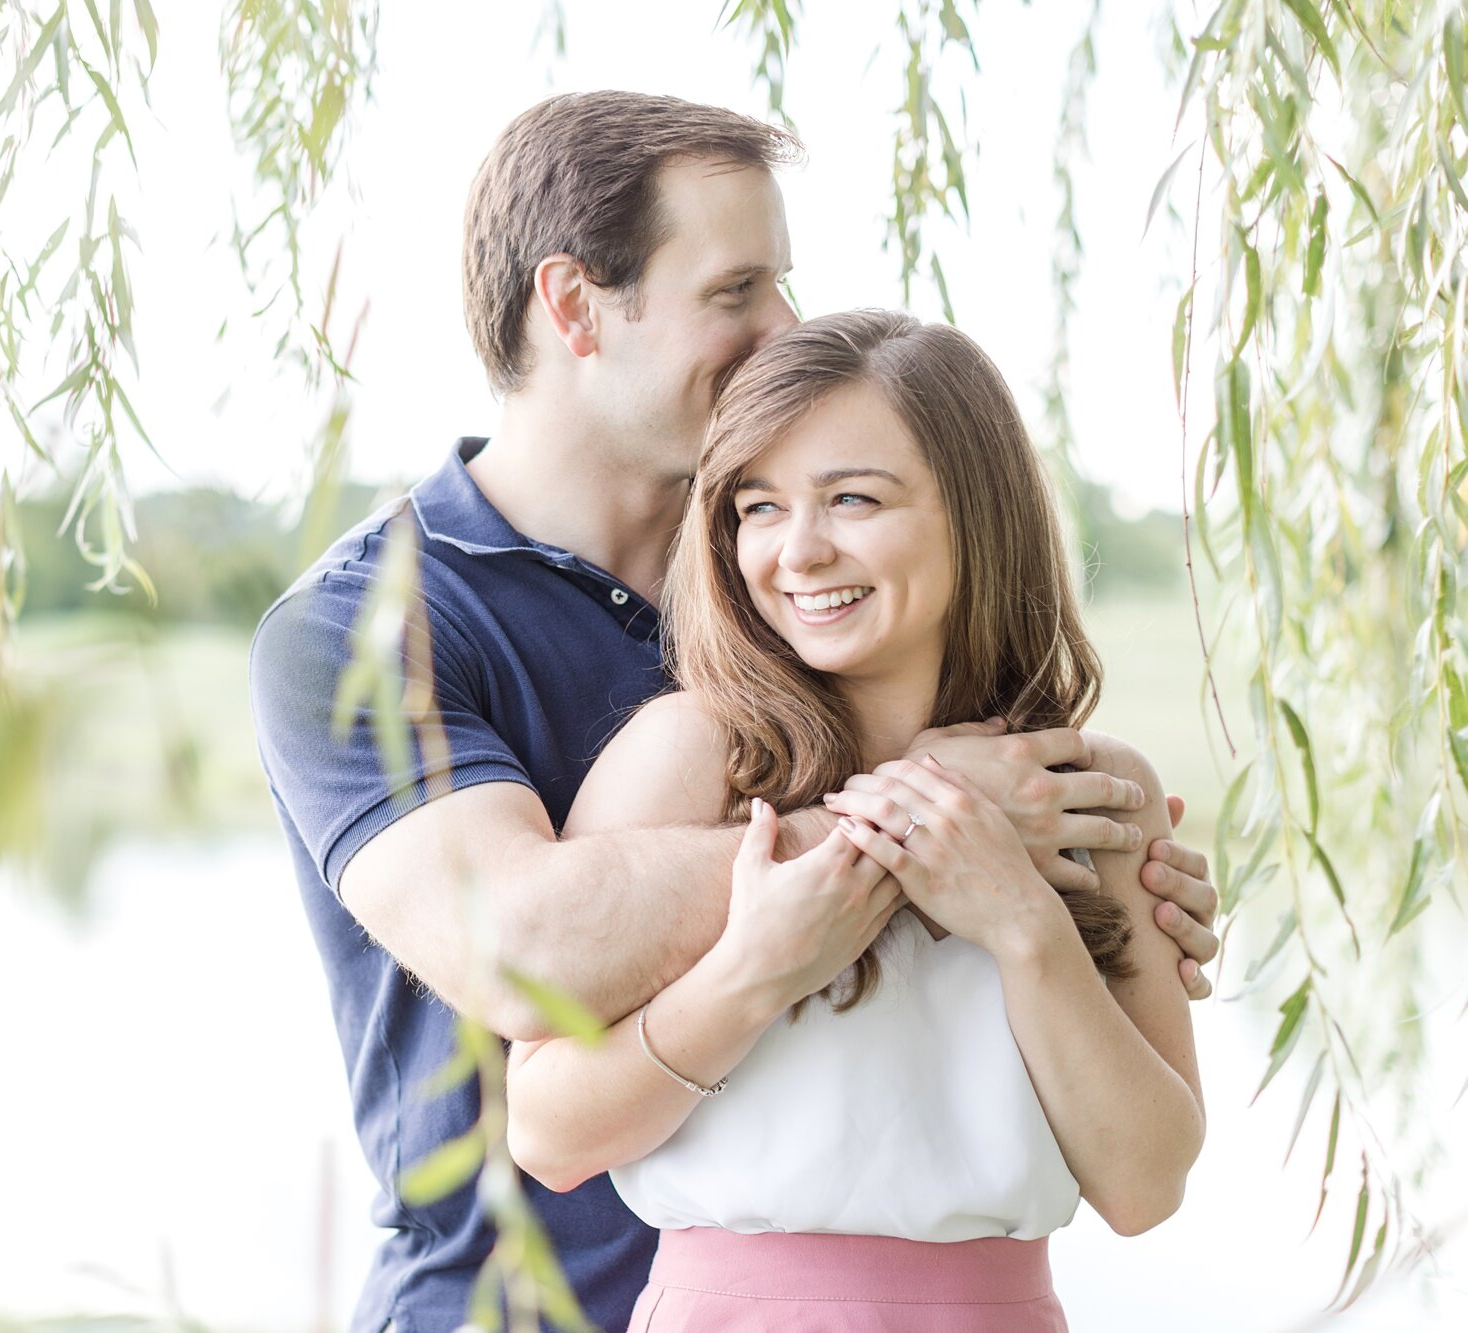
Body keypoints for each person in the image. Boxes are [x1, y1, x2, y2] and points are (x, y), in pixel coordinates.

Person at [248, 92, 1219, 1333]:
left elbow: (1137, 1161)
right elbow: (521, 949)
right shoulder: (360, 632)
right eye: (737, 289)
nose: (783, 327)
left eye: (839, 499)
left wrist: (1074, 894)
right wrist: (928, 822)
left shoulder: (784, 606)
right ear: (572, 304)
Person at [505, 310, 1203, 1331]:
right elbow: (547, 1129)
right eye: (758, 507)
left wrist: (1020, 920)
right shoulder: (691, 756)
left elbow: (1145, 1187)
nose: (797, 551)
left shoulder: (1085, 788)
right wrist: (757, 971)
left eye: (852, 499)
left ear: (975, 512)